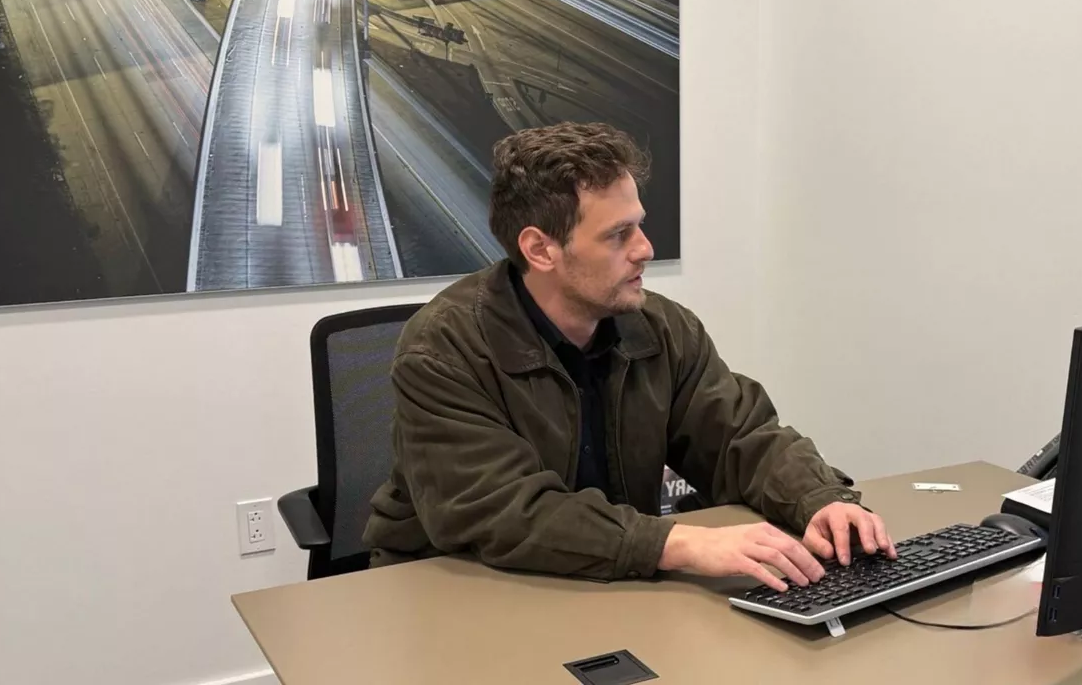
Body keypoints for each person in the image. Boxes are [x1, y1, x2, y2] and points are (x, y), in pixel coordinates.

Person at [361, 122, 897, 592]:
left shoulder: (660, 327)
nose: (645, 248)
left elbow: (740, 437)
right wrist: (675, 543)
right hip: (458, 586)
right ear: (540, 249)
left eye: (638, 224)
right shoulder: (444, 349)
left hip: (608, 574)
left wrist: (820, 498)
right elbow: (501, 512)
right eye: (619, 234)